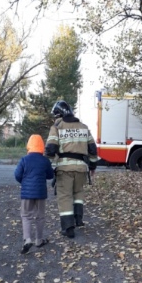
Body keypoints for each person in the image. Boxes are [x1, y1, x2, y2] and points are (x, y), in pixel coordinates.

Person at [45, 100, 98, 238]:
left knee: (65, 196)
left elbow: (50, 149)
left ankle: (68, 228)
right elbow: (92, 149)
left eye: (56, 116)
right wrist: (92, 166)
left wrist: (48, 167)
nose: (55, 119)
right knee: (78, 191)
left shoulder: (57, 127)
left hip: (64, 168)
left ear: (59, 114)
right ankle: (78, 219)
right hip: (81, 168)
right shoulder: (83, 127)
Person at [15, 134, 54, 254]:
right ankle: (39, 240)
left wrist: (25, 182)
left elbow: (17, 175)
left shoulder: (24, 160)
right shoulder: (45, 160)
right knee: (40, 216)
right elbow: (50, 175)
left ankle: (27, 239)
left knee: (26, 216)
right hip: (41, 193)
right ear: (42, 146)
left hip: (26, 194)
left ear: (29, 145)